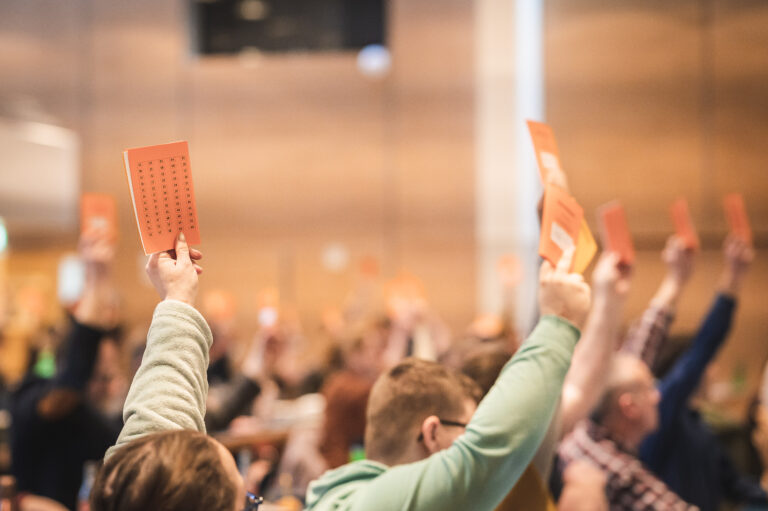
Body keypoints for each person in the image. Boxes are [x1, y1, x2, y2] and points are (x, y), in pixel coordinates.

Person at [304, 247, 591, 510]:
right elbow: (486, 456)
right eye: (469, 431)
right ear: (431, 433)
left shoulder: (343, 496)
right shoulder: (382, 504)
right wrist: (559, 322)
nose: (473, 439)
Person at [629, 236, 764, 511]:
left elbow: (735, 484)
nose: (713, 370)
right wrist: (732, 280)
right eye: (707, 364)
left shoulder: (699, 425)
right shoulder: (663, 413)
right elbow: (703, 347)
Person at [10, 228, 121, 511]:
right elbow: (70, 384)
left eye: (110, 376)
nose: (108, 386)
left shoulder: (93, 418)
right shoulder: (32, 397)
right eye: (101, 377)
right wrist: (97, 277)